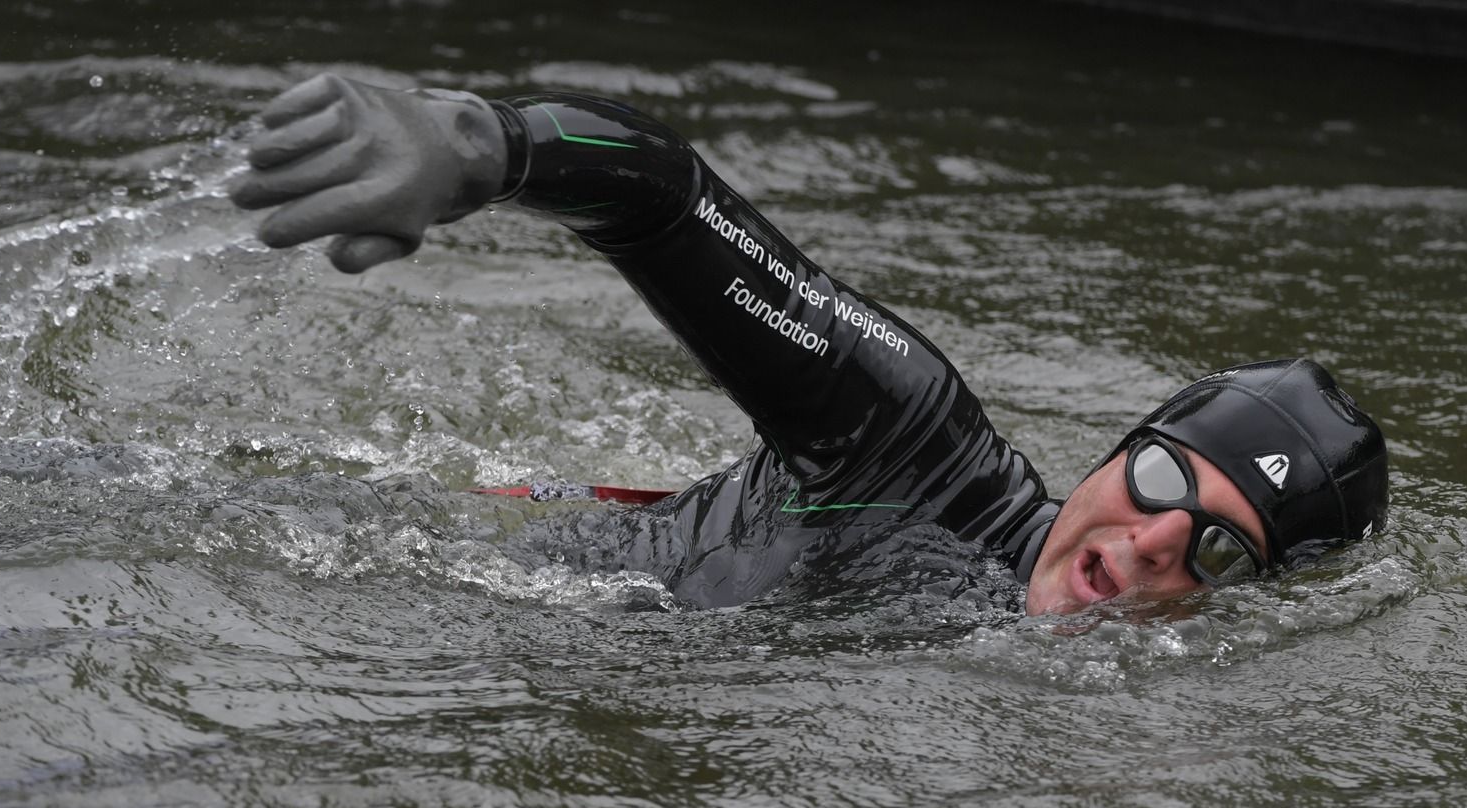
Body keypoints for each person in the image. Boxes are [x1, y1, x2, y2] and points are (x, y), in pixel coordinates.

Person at [229, 75, 1388, 613]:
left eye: (1217, 554)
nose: (1144, 545)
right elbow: (673, 202)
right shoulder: (913, 452)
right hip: (382, 585)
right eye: (1157, 480)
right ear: (1117, 451)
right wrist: (480, 142)